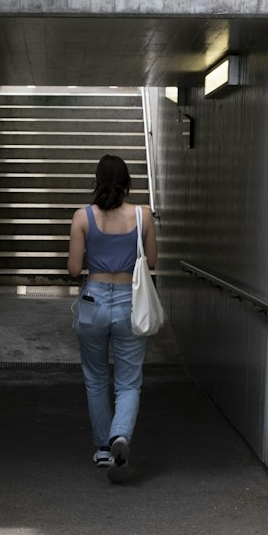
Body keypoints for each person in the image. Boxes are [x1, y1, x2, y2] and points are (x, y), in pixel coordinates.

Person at [67, 154, 157, 482]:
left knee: (95, 379)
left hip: (93, 299)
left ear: (96, 180)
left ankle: (104, 450)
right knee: (129, 381)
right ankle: (120, 436)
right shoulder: (142, 214)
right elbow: (152, 261)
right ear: (127, 181)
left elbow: (74, 268)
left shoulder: (82, 217)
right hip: (128, 301)